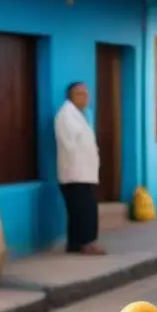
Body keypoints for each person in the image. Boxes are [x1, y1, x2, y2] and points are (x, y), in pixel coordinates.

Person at [54, 82, 105, 255]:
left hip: (82, 172)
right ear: (71, 97)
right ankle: (87, 242)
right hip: (76, 171)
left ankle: (75, 244)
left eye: (86, 94)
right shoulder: (66, 115)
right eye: (80, 94)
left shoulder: (79, 115)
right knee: (84, 209)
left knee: (78, 209)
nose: (85, 98)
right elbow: (69, 145)